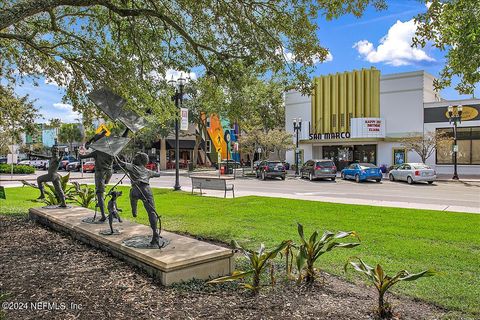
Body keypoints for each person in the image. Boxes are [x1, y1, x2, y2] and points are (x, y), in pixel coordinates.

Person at [118, 152, 161, 246]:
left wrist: (115, 155)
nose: (134, 158)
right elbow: (158, 174)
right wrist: (157, 169)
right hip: (146, 190)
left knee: (132, 196)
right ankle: (155, 232)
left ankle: (134, 210)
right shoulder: (147, 171)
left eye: (136, 157)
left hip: (136, 189)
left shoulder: (132, 167)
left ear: (141, 160)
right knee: (152, 212)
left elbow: (120, 163)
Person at [79, 148, 114, 222]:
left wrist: (79, 153)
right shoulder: (111, 151)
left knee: (99, 194)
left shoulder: (97, 152)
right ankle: (104, 208)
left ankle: (103, 215)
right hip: (109, 173)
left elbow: (82, 157)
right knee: (101, 192)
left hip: (100, 173)